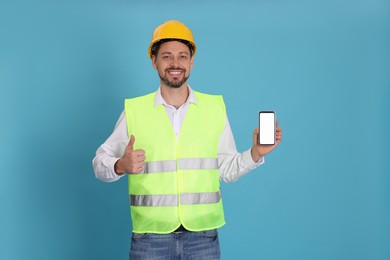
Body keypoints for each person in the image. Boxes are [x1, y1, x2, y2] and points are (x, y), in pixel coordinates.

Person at [92, 20, 282, 260]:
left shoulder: (214, 108)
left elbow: (225, 170)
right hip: (150, 238)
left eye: (182, 56)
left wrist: (256, 153)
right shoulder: (134, 111)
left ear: (191, 61)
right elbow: (99, 163)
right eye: (166, 56)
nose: (175, 63)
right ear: (154, 61)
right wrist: (120, 165)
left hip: (202, 239)